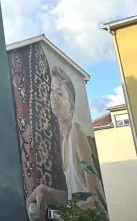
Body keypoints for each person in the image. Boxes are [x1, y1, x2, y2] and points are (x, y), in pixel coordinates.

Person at [26, 66, 105, 218]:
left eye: (60, 93)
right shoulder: (64, 141)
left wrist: (64, 217)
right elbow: (75, 196)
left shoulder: (76, 133)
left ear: (71, 108)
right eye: (52, 89)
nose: (54, 96)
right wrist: (46, 191)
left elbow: (94, 199)